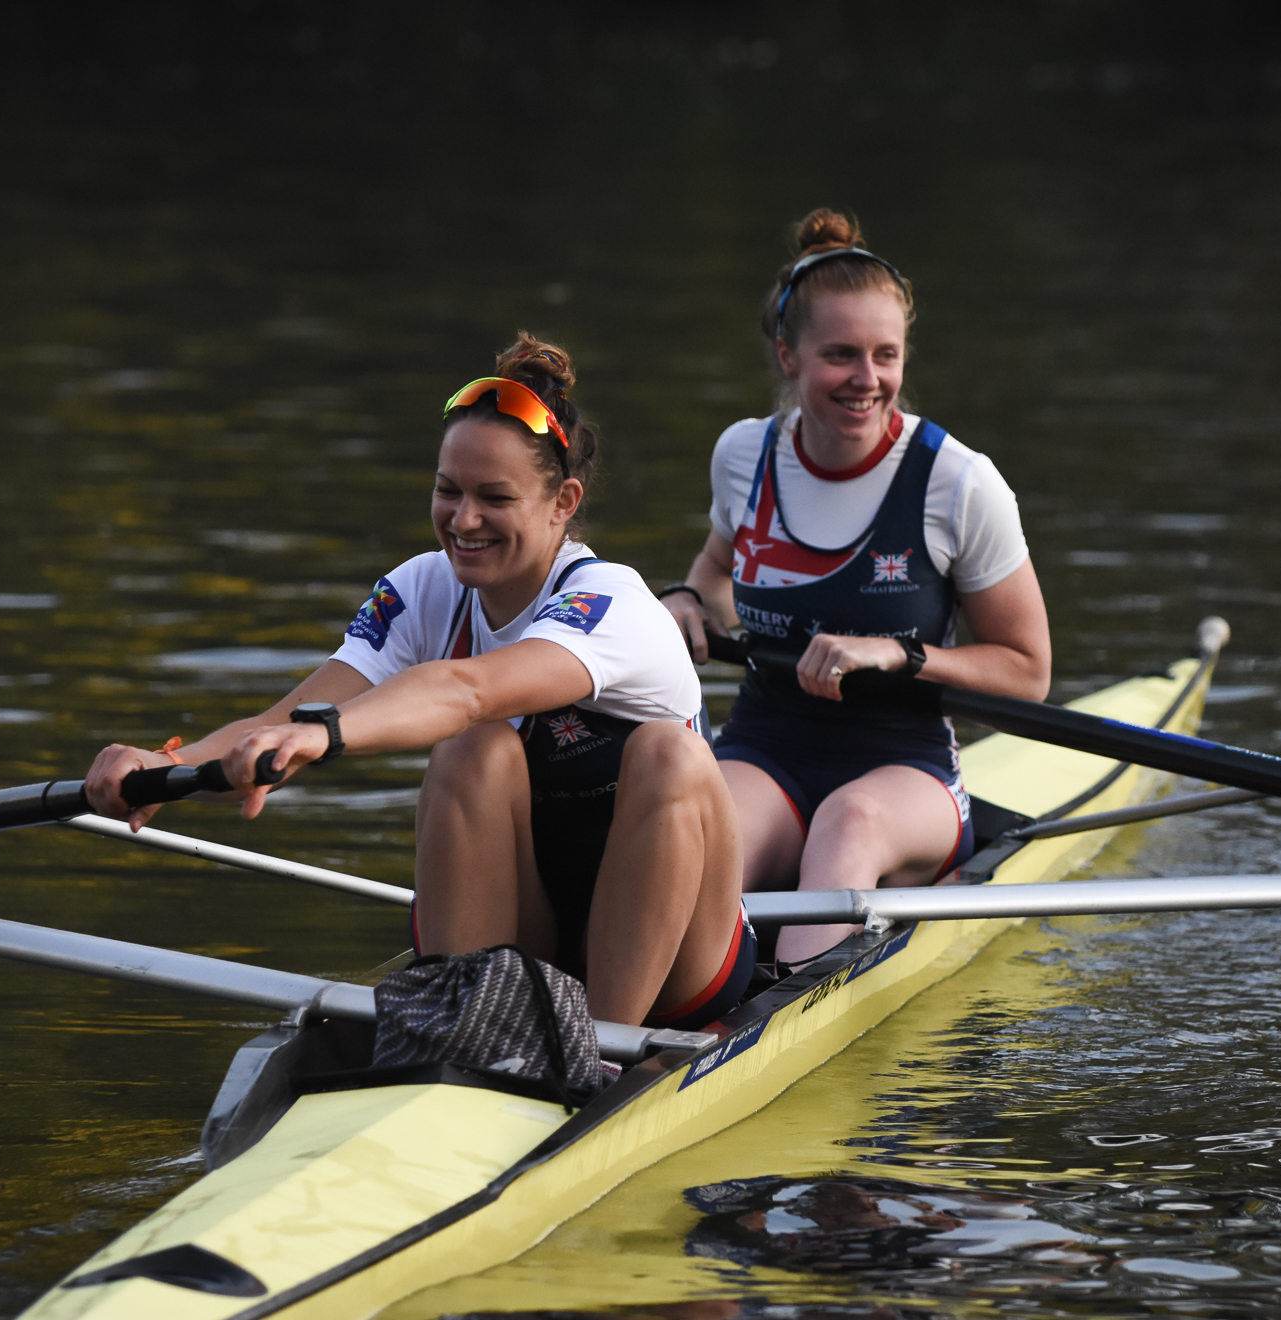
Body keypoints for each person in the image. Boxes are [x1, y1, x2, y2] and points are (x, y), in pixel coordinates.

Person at [86, 334, 749, 1030]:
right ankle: (465, 1030)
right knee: (473, 750)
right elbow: (286, 720)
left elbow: (466, 691)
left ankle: (604, 1058)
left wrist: (322, 736)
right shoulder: (422, 590)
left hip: (682, 959)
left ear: (563, 503)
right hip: (539, 927)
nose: (462, 521)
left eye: (494, 498)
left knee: (664, 755)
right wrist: (167, 766)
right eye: (447, 491)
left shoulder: (609, 601)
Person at [661, 210, 1051, 963]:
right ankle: (627, 1035)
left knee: (848, 822)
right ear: (787, 354)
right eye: (841, 355)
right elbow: (715, 579)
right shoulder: (745, 455)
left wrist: (898, 655)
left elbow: (1026, 672)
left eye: (886, 355)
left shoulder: (958, 482)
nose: (868, 381)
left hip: (904, 770)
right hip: (764, 747)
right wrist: (684, 600)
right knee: (691, 837)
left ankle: (781, 1011)